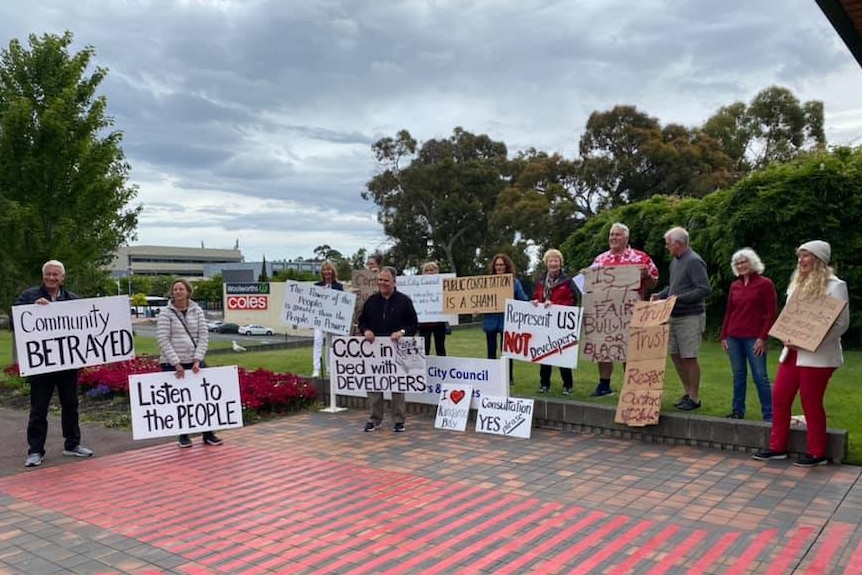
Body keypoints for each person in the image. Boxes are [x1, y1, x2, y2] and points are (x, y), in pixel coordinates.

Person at [754, 240, 849, 467]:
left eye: (806, 256)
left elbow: (841, 324)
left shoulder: (835, 286)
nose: (801, 260)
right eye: (800, 256)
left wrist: (810, 340)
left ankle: (817, 453)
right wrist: (788, 334)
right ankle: (777, 447)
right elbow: (790, 316)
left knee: (810, 401)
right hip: (792, 351)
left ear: (818, 259)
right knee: (780, 397)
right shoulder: (798, 284)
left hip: (818, 355)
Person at [17, 260, 93, 468]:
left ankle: (72, 444)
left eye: (55, 275)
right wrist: (34, 310)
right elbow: (17, 323)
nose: (51, 278)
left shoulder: (73, 300)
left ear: (62, 278)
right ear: (43, 276)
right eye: (48, 274)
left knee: (71, 406)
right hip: (41, 365)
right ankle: (35, 450)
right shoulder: (28, 297)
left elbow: (84, 329)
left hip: (67, 365)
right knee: (39, 409)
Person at [589, 222, 659, 397]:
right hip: (605, 311)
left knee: (630, 349)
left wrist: (646, 276)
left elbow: (654, 282)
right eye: (611, 235)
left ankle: (632, 386)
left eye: (617, 235)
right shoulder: (600, 260)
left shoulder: (640, 258)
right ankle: (604, 385)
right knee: (604, 349)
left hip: (632, 311)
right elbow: (588, 283)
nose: (613, 238)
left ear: (626, 238)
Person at [653, 227, 711, 411]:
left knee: (689, 356)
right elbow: (674, 286)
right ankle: (687, 392)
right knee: (676, 355)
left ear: (678, 244)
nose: (666, 247)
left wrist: (679, 299)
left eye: (668, 243)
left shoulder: (694, 261)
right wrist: (660, 295)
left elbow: (704, 288)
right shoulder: (675, 262)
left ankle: (695, 398)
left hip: (690, 316)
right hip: (673, 315)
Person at [157, 279, 219, 448]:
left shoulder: (197, 310)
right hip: (173, 364)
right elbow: (163, 339)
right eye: (175, 289)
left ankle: (208, 434)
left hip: (194, 363)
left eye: (181, 289)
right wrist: (176, 363)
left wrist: (197, 360)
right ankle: (183, 436)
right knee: (180, 402)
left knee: (203, 399)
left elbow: (203, 336)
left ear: (188, 292)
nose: (178, 292)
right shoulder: (165, 313)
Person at [719, 248, 778, 421]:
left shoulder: (765, 284)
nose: (741, 266)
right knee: (738, 375)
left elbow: (771, 312)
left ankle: (769, 414)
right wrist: (723, 336)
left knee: (760, 376)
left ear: (752, 262)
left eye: (743, 262)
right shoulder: (734, 285)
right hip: (734, 336)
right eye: (737, 263)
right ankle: (738, 411)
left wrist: (763, 337)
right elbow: (729, 311)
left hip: (754, 337)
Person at [358, 266, 419, 433]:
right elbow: (362, 321)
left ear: (394, 282)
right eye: (380, 280)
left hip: (397, 350)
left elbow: (413, 324)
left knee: (397, 385)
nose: (382, 283)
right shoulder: (371, 301)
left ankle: (399, 420)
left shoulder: (404, 301)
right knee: (374, 385)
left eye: (385, 280)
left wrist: (402, 332)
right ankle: (374, 418)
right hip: (375, 350)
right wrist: (366, 331)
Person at [532, 249, 578, 395]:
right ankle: (544, 384)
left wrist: (555, 304)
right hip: (544, 323)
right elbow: (537, 296)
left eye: (556, 261)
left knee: (562, 354)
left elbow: (573, 301)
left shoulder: (568, 281)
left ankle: (568, 385)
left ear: (560, 263)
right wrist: (535, 302)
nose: (553, 263)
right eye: (550, 261)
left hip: (561, 323)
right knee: (544, 354)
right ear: (546, 263)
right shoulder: (540, 280)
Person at [482, 253, 529, 385]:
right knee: (491, 351)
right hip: (491, 320)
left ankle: (508, 378)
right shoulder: (486, 282)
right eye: (497, 265)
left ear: (506, 266)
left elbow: (522, 299)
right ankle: (491, 377)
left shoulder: (514, 282)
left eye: (501, 264)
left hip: (507, 321)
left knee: (507, 352)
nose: (499, 267)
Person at [312, 261, 344, 377]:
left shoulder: (339, 286)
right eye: (324, 270)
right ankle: (316, 368)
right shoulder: (317, 286)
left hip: (332, 319)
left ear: (333, 271)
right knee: (318, 340)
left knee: (331, 344)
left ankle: (330, 368)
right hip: (319, 318)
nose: (327, 272)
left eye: (329, 269)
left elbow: (342, 303)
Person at [418, 261, 447, 356]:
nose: (430, 272)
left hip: (439, 321)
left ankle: (442, 368)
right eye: (427, 270)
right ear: (423, 272)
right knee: (424, 348)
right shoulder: (418, 286)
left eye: (432, 270)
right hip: (424, 323)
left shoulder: (443, 284)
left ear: (437, 271)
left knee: (440, 347)